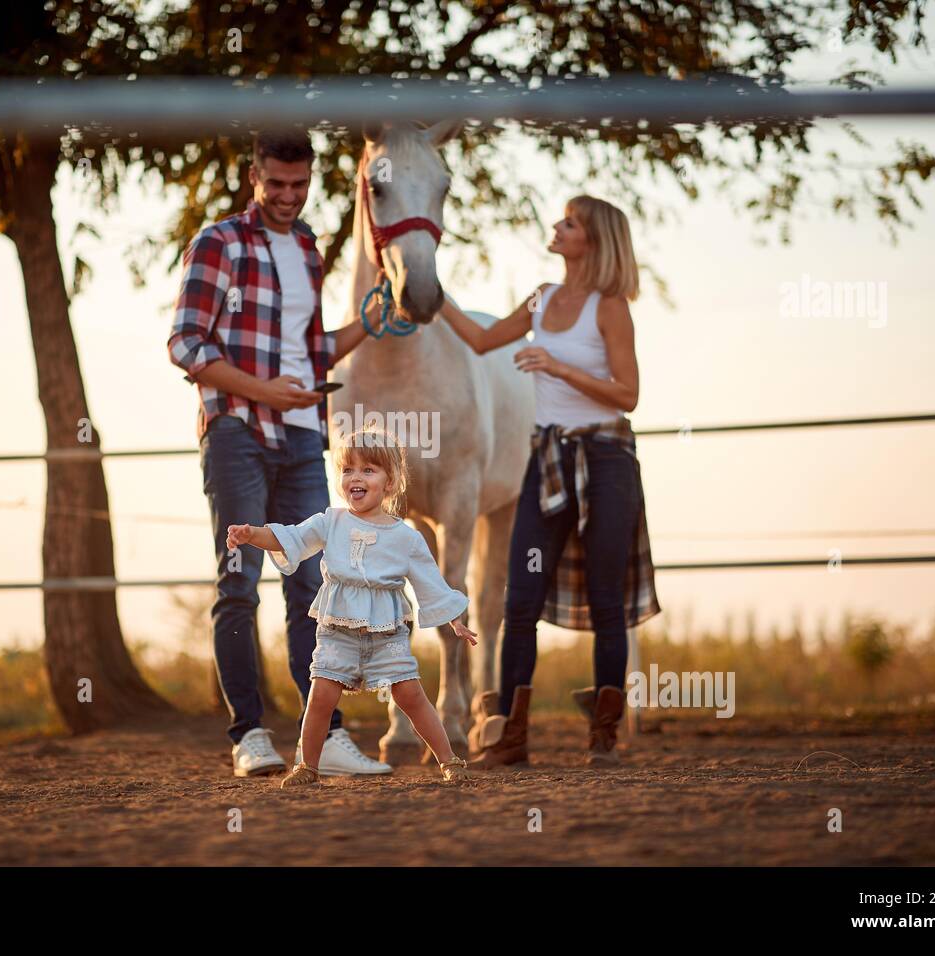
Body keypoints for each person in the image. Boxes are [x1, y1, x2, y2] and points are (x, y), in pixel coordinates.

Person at [168, 129, 384, 778]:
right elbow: (185, 346)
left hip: (301, 438)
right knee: (239, 581)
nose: (289, 196)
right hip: (236, 430)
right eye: (277, 184)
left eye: (300, 184)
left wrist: (368, 326)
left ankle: (326, 737)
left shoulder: (311, 249)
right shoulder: (219, 243)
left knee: (313, 584)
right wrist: (263, 390)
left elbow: (313, 354)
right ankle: (248, 735)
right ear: (254, 176)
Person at [437, 195, 661, 767]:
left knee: (607, 600)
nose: (557, 228)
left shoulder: (610, 308)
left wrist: (557, 367)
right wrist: (432, 292)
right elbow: (483, 341)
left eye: (570, 223)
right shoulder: (540, 298)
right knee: (521, 600)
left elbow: (629, 394)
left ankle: (603, 737)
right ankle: (511, 737)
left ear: (593, 240)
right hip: (547, 461)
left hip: (606, 460)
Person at [226, 429, 477, 787]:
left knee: (411, 694)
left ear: (391, 483)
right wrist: (253, 535)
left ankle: (450, 761)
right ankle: (307, 766)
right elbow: (291, 538)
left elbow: (431, 583)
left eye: (369, 470)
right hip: (337, 628)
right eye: (348, 469)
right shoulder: (331, 522)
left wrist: (455, 620)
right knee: (321, 696)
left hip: (386, 631)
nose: (356, 477)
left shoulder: (406, 537)